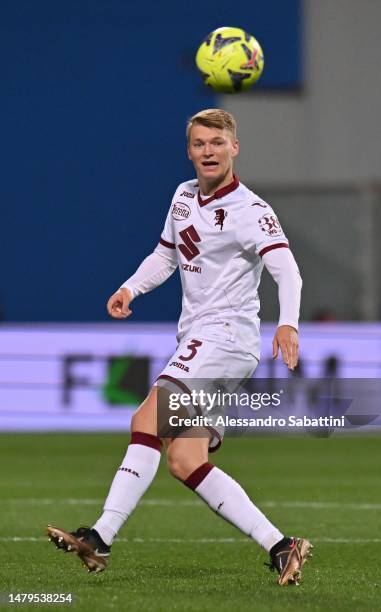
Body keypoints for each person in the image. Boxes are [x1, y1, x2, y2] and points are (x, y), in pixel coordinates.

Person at [47, 109, 312, 586]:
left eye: (216, 142)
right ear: (189, 150)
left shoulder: (251, 210)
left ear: (234, 147)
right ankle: (281, 545)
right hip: (205, 339)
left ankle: (102, 536)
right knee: (186, 460)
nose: (207, 151)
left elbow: (287, 270)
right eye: (198, 144)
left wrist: (288, 323)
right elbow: (166, 255)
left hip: (225, 336)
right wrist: (131, 288)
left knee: (145, 418)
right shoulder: (183, 196)